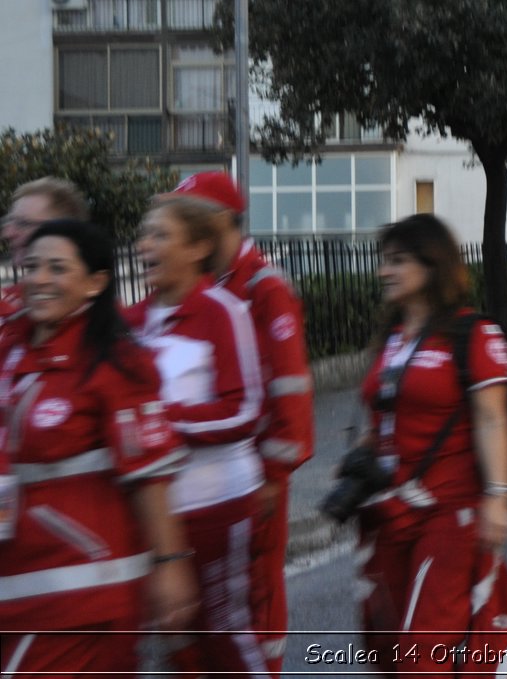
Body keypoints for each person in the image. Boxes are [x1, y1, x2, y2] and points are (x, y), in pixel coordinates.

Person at [0, 219, 196, 677]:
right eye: (32, 267)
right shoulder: (12, 352)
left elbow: (150, 475)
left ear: (95, 282)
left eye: (57, 268)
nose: (40, 279)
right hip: (19, 585)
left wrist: (170, 563)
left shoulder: (116, 363)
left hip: (81, 593)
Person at [351, 214, 507, 674]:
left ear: (432, 266)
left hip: (451, 513)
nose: (384, 272)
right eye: (383, 261)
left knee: (423, 648)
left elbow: (492, 420)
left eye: (398, 261)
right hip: (391, 512)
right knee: (385, 647)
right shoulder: (391, 339)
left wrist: (499, 498)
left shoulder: (473, 333)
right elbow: (383, 417)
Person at [167, 171, 313, 676]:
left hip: (253, 476)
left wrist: (274, 476)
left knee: (254, 597)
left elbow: (290, 388)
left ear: (215, 223)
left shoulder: (263, 286)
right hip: (205, 480)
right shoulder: (210, 286)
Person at [125, 197, 270, 677]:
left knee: (222, 631)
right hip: (158, 513)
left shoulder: (221, 310)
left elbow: (244, 410)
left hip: (217, 503)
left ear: (198, 247)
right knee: (175, 637)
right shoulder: (131, 321)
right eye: (145, 235)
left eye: (160, 235)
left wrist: (160, 420)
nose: (145, 245)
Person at [1, 178, 91, 315]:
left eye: (23, 224)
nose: (7, 234)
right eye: (8, 222)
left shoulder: (100, 317)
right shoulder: (11, 297)